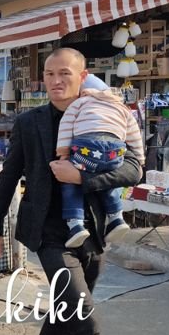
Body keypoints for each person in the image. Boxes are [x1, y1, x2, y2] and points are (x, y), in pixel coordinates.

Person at [0, 47, 141, 335]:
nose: (56, 81)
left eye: (64, 73)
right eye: (50, 74)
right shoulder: (30, 121)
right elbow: (8, 176)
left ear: (82, 75)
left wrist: (83, 178)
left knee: (66, 311)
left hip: (94, 232)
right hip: (49, 235)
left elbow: (134, 167)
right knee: (86, 323)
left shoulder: (105, 110)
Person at [56, 74, 145, 248]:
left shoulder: (79, 103)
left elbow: (66, 126)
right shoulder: (121, 107)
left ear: (83, 91)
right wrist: (140, 158)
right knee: (108, 176)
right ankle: (116, 217)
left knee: (69, 180)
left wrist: (63, 152)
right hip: (114, 151)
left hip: (86, 149)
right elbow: (134, 134)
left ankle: (75, 224)